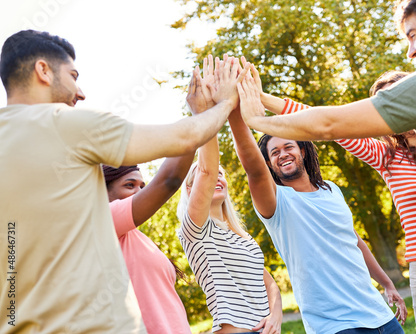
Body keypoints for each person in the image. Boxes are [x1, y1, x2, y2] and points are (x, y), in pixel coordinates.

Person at [237, 1, 416, 329]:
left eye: (414, 34)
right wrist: (260, 103)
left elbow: (329, 122)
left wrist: (255, 117)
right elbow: (329, 124)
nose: (411, 51)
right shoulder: (388, 155)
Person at [0, 30, 244, 333]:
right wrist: (223, 104)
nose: (80, 92)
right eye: (73, 75)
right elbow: (182, 143)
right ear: (43, 71)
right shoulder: (62, 122)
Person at [230, 75, 406, 333]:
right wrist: (236, 111)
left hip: (379, 315)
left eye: (287, 146)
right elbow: (252, 167)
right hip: (334, 325)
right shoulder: (276, 203)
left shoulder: (331, 189)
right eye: (274, 152)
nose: (283, 154)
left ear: (302, 150)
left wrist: (387, 283)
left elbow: (354, 240)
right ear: (268, 163)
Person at [176, 56, 282, 334]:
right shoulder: (195, 230)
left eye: (224, 174)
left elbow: (270, 284)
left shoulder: (242, 236)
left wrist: (276, 315)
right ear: (191, 190)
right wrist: (206, 112)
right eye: (208, 176)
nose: (218, 176)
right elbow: (208, 171)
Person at [103, 155, 194, 333]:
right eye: (130, 185)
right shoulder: (105, 219)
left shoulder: (138, 237)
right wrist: (196, 133)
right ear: (103, 191)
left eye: (142, 186)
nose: (140, 192)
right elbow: (169, 180)